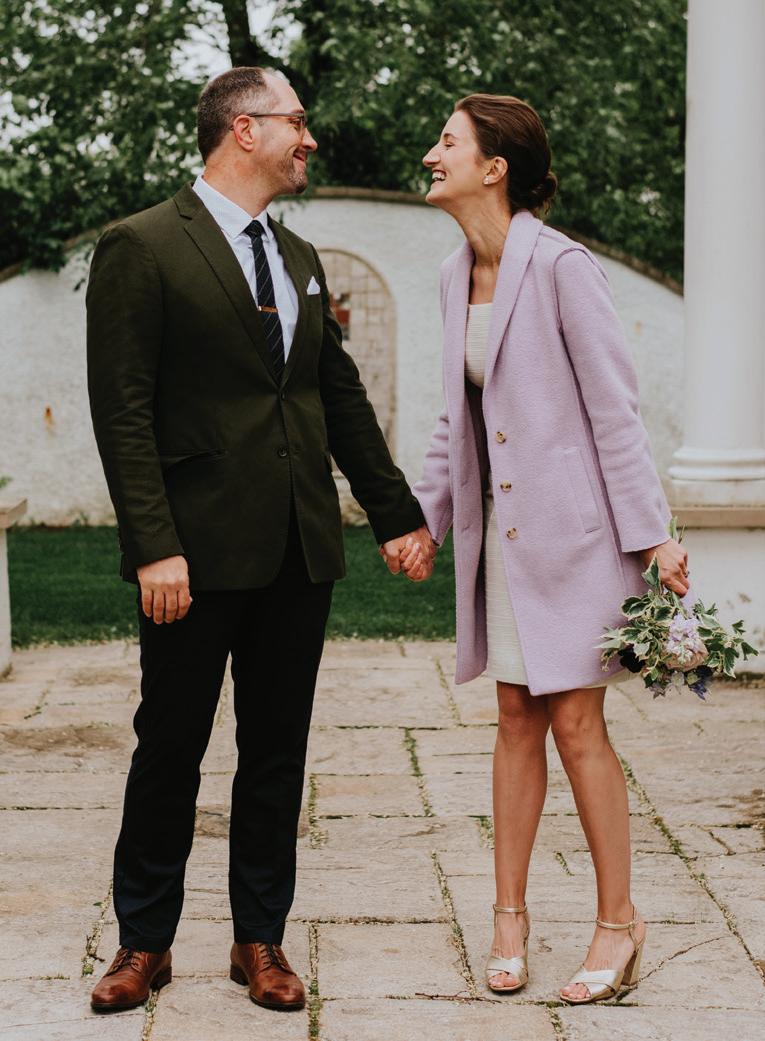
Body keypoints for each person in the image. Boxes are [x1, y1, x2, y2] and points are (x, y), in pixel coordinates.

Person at [86, 66, 433, 1015]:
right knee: (170, 746)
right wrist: (153, 544)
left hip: (296, 549)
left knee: (276, 752)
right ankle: (143, 940)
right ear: (244, 129)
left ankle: (260, 938)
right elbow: (122, 410)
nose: (308, 139)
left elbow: (336, 395)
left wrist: (395, 512)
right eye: (296, 122)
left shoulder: (299, 255)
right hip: (191, 556)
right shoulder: (142, 245)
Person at [405, 93, 689, 1004]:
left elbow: (614, 414)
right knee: (513, 719)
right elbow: (455, 417)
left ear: (494, 168)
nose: (430, 154)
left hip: (578, 537)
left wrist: (652, 535)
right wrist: (424, 519)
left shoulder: (564, 268)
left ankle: (618, 922)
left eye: (447, 142)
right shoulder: (452, 275)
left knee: (575, 723)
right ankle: (508, 919)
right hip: (503, 540)